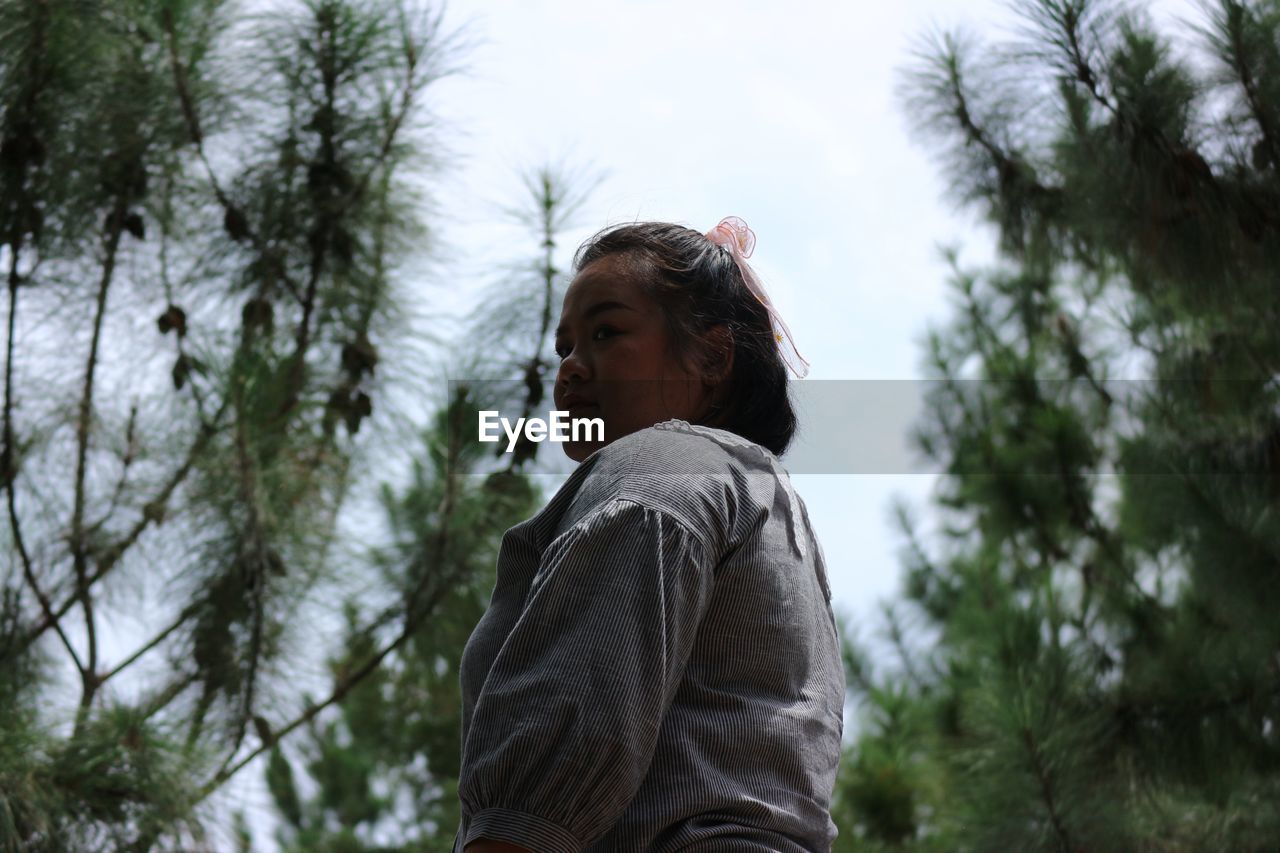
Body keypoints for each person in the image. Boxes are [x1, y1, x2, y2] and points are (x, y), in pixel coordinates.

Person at [453, 218, 845, 852]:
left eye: (606, 333)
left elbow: (570, 736)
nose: (570, 370)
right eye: (565, 348)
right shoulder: (766, 502)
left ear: (714, 357)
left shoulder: (662, 464)